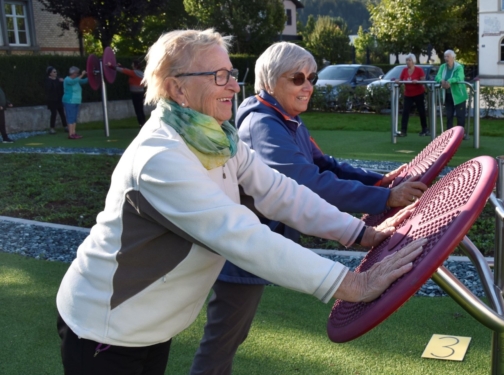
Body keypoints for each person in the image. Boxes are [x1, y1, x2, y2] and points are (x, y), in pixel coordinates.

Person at [55, 29, 424, 375]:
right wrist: (352, 285)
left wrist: (361, 233)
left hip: (150, 322)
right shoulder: (161, 156)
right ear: (176, 88)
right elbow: (241, 235)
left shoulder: (216, 137)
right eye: (218, 75)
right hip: (105, 326)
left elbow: (280, 192)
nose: (234, 84)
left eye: (231, 72)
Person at [191, 41, 429, 375]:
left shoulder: (284, 118)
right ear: (271, 81)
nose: (308, 86)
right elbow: (306, 182)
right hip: (241, 247)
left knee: (229, 334)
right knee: (223, 337)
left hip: (259, 242)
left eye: (313, 78)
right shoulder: (264, 123)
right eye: (297, 78)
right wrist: (384, 199)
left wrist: (382, 183)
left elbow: (324, 164)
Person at [435, 50, 468, 140]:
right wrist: (441, 81)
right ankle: (449, 135)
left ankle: (461, 134)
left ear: (453, 57)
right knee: (449, 115)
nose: (446, 59)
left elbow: (459, 77)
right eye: (445, 57)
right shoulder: (442, 67)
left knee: (460, 116)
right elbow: (437, 76)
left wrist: (449, 81)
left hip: (459, 96)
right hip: (448, 95)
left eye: (448, 57)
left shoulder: (459, 67)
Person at [398, 53, 428, 137]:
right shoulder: (404, 70)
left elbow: (423, 81)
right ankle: (403, 131)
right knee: (405, 112)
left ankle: (424, 129)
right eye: (407, 60)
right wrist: (398, 81)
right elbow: (400, 80)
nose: (408, 62)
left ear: (413, 61)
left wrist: (417, 81)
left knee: (421, 111)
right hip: (408, 94)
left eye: (409, 60)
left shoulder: (419, 70)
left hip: (418, 93)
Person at [116, 60, 147, 126]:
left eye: (132, 64)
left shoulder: (134, 73)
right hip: (141, 93)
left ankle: (141, 124)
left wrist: (112, 66)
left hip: (135, 94)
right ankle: (143, 123)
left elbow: (125, 71)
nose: (131, 65)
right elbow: (128, 70)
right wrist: (121, 66)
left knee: (137, 110)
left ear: (135, 66)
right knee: (141, 109)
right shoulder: (141, 73)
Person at [62, 66, 88, 139]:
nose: (77, 74)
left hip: (76, 101)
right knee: (70, 117)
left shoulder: (77, 80)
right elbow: (73, 81)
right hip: (69, 101)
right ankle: (70, 134)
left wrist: (91, 76)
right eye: (76, 73)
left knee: (74, 118)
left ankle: (73, 133)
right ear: (73, 73)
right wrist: (82, 74)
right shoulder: (67, 79)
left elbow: (84, 81)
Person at [44, 66, 68, 134]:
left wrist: (62, 82)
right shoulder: (48, 80)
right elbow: (48, 89)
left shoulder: (58, 80)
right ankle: (52, 128)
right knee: (54, 113)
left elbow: (61, 88)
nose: (56, 73)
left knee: (62, 113)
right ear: (50, 73)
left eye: (56, 72)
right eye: (54, 72)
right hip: (52, 100)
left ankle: (65, 126)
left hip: (59, 99)